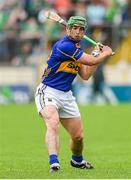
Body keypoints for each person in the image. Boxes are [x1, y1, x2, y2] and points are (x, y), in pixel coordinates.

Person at [35, 16, 113, 172]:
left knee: (78, 137)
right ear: (68, 29)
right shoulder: (64, 46)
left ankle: (77, 160)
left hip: (66, 95)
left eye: (81, 29)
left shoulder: (77, 50)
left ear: (84, 31)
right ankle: (54, 163)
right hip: (48, 91)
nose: (78, 32)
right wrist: (106, 53)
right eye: (75, 28)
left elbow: (85, 74)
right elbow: (90, 61)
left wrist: (97, 54)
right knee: (53, 123)